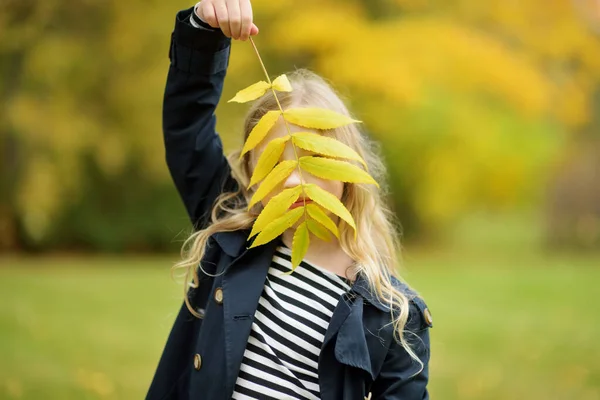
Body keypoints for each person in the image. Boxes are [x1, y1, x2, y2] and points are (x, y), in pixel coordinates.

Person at [147, 1, 433, 399]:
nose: (295, 177)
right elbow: (187, 130)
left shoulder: (393, 314)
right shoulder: (236, 230)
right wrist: (203, 31)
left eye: (314, 159)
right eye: (273, 162)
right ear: (251, 172)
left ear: (348, 167)